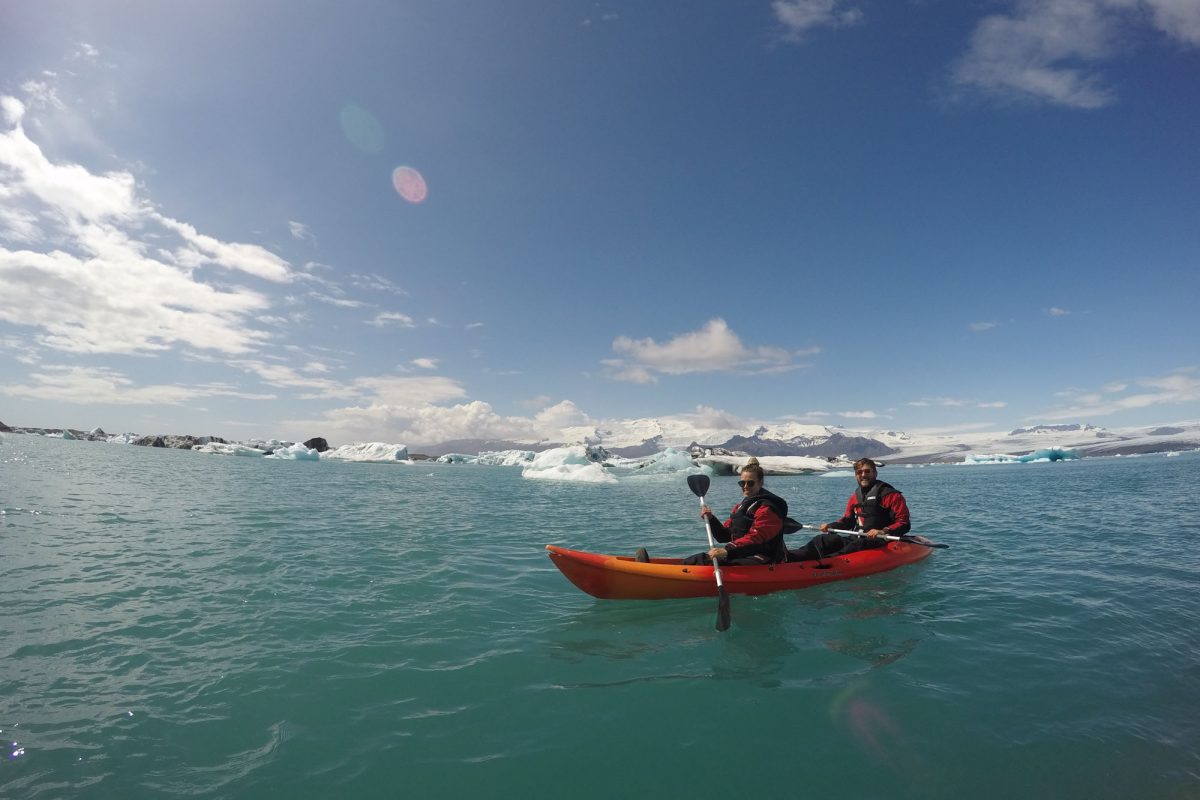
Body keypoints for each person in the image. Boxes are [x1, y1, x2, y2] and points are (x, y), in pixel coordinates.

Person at [637, 458, 788, 566]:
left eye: (750, 483)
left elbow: (757, 537)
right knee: (702, 558)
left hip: (762, 558)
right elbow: (724, 535)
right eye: (742, 483)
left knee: (703, 560)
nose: (745, 486)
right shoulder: (740, 507)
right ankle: (659, 569)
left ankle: (654, 574)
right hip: (742, 552)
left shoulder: (767, 508)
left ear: (760, 482)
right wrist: (711, 518)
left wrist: (727, 550)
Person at [787, 458, 910, 562]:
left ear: (875, 473)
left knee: (857, 544)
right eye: (859, 472)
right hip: (857, 538)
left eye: (867, 471)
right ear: (855, 475)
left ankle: (825, 563)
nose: (863, 475)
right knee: (823, 539)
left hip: (879, 540)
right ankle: (790, 557)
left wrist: (883, 531)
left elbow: (904, 523)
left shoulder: (891, 495)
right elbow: (847, 522)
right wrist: (829, 526)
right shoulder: (854, 498)